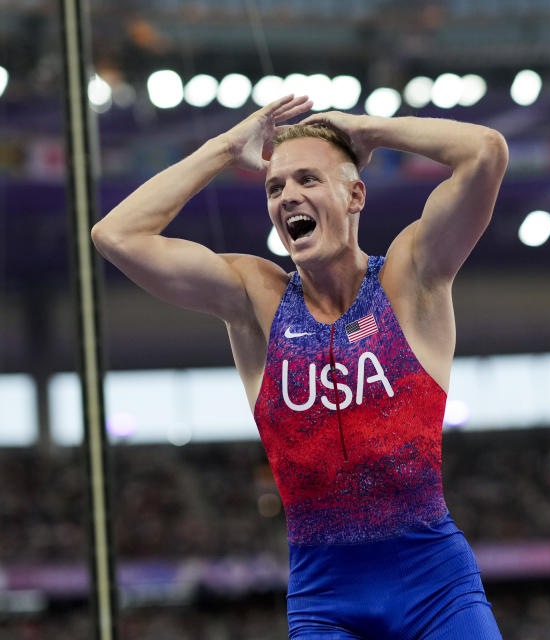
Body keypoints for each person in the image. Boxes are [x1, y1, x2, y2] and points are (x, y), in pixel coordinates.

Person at [91, 94, 509, 639]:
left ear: (355, 194)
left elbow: (486, 151)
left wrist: (367, 129)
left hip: (436, 587)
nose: (289, 195)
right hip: (326, 602)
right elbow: (115, 235)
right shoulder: (256, 300)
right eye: (275, 187)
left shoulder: (412, 278)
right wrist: (224, 148)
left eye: (308, 180)